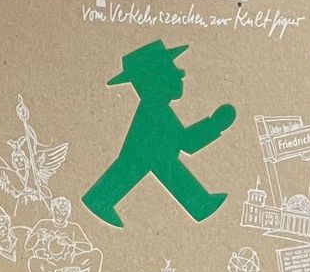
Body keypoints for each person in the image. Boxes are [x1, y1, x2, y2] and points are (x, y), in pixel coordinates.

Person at [83, 39, 235, 227]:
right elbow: (185, 143)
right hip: (148, 156)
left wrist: (213, 126)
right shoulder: (154, 110)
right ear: (153, 81)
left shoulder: (157, 108)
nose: (180, 76)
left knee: (152, 165)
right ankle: (199, 204)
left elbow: (184, 142)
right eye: (171, 72)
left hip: (149, 156)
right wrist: (214, 126)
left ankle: (99, 199)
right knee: (160, 165)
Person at [24, 196, 104, 272]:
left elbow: (88, 247)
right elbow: (27, 246)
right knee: (33, 261)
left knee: (96, 254)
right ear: (52, 210)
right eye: (57, 211)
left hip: (69, 263)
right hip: (49, 264)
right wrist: (37, 236)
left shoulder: (74, 227)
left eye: (64, 212)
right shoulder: (43, 224)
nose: (60, 215)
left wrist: (72, 243)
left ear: (68, 213)